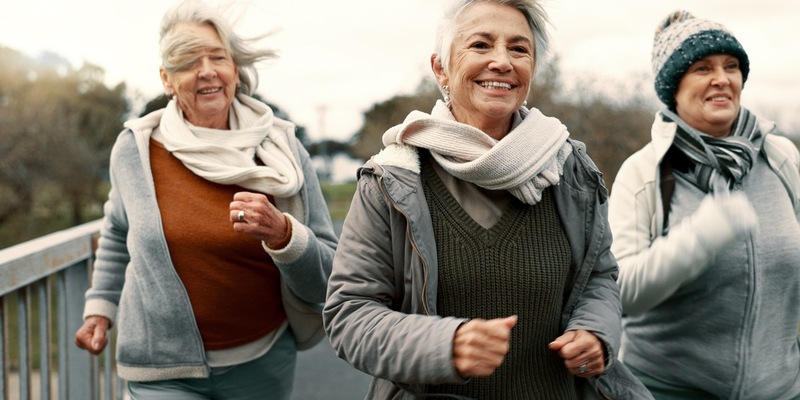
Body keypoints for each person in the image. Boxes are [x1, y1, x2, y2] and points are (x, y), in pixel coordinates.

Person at [323, 1, 653, 399]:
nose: (501, 61)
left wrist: (596, 332)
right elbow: (350, 315)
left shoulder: (571, 170)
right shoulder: (392, 179)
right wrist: (445, 344)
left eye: (519, 49)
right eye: (480, 45)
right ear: (441, 68)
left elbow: (598, 278)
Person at [72, 1, 337, 399]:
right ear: (166, 78)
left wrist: (284, 235)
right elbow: (116, 232)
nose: (207, 70)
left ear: (234, 69)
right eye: (188, 61)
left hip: (261, 361)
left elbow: (329, 274)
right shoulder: (135, 149)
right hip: (159, 367)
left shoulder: (281, 148)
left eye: (218, 57)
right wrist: (100, 307)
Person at [608, 10, 800, 400]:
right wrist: (701, 236)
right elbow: (621, 293)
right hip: (666, 390)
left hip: (781, 390)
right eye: (702, 68)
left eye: (731, 66)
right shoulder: (644, 172)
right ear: (673, 88)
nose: (722, 78)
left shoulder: (782, 158)